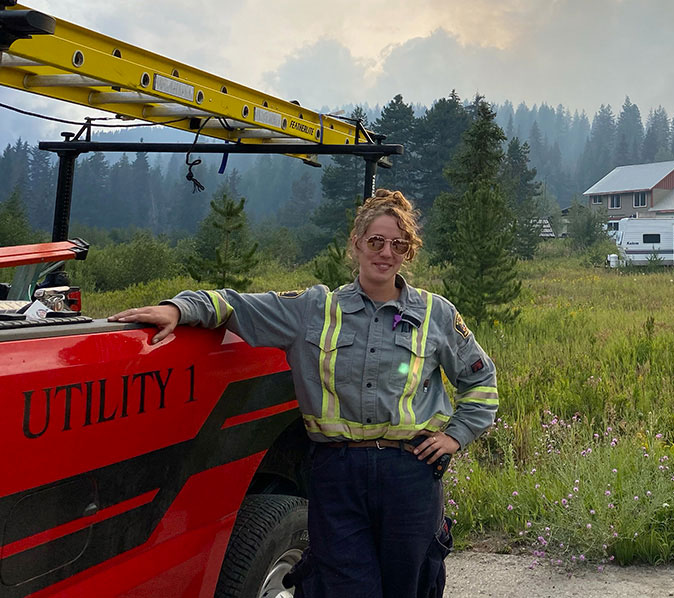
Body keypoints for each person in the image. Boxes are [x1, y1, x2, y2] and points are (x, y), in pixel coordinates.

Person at [109, 189, 499, 598]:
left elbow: (481, 379)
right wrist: (178, 308)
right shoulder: (313, 308)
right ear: (356, 243)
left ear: (409, 252)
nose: (386, 252)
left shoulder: (435, 313)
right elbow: (233, 306)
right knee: (345, 587)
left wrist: (456, 434)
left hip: (411, 475)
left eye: (398, 244)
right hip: (338, 474)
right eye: (376, 241)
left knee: (412, 585)